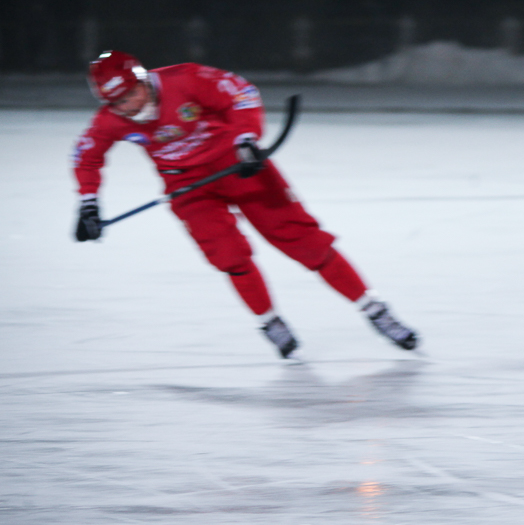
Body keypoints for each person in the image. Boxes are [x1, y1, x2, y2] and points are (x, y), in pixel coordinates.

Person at [71, 51, 418, 358]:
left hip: (239, 165)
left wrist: (246, 139)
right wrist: (88, 203)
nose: (130, 106)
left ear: (143, 79)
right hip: (188, 187)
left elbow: (241, 93)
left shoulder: (186, 78)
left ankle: (375, 311)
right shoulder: (111, 120)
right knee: (228, 256)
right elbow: (86, 157)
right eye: (119, 103)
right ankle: (270, 322)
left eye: (133, 94)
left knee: (305, 243)